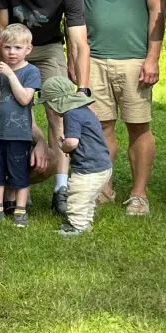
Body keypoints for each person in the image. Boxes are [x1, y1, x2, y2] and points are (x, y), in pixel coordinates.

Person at [66, 0, 166, 216]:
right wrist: (73, 57)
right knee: (100, 126)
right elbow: (72, 16)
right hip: (92, 59)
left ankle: (138, 194)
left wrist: (152, 57)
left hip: (135, 58)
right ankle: (103, 187)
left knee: (139, 126)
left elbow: (157, 10)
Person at [0, 0, 90, 216]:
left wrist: (81, 88)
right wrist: (3, 70)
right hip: (12, 47)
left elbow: (80, 42)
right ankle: (17, 183)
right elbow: (2, 32)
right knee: (10, 107)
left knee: (58, 109)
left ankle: (61, 187)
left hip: (47, 48)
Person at [44, 75, 113, 236]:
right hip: (102, 164)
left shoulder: (71, 115)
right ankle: (85, 222)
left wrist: (63, 145)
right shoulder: (85, 110)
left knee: (77, 197)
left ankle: (77, 226)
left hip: (88, 167)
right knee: (87, 198)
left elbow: (73, 142)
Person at [0, 24, 40, 228]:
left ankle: (20, 210)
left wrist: (10, 75)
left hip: (19, 134)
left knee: (19, 172)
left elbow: (25, 98)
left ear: (28, 49)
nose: (11, 52)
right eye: (8, 47)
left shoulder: (31, 71)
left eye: (17, 48)